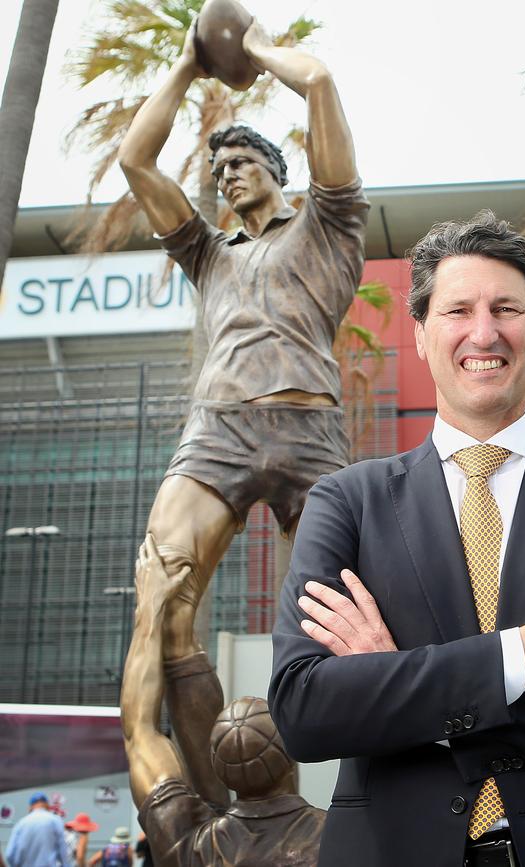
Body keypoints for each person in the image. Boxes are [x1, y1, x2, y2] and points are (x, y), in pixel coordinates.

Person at [269, 211, 525, 867]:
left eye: (506, 307)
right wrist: (520, 655)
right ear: (419, 334)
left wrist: (405, 693)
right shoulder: (347, 501)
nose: (484, 331)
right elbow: (306, 708)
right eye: (458, 310)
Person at [117, 13, 368, 670]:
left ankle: (308, 763)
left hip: (308, 428)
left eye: (241, 162)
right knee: (162, 595)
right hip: (218, 429)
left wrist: (251, 45)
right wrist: (186, 63)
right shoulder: (209, 253)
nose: (228, 175)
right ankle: (177, 767)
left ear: (274, 169)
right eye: (220, 167)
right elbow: (133, 160)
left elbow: (317, 81)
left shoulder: (329, 224)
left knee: (327, 614)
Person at [120, 534, 325, 866]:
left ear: (217, 770)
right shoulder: (337, 837)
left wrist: (150, 607)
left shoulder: (187, 846)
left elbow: (139, 731)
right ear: (292, 758)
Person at [4, 792, 71, 867]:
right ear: (47, 805)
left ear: (30, 807)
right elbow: (63, 855)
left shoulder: (20, 824)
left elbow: (9, 854)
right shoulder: (55, 821)